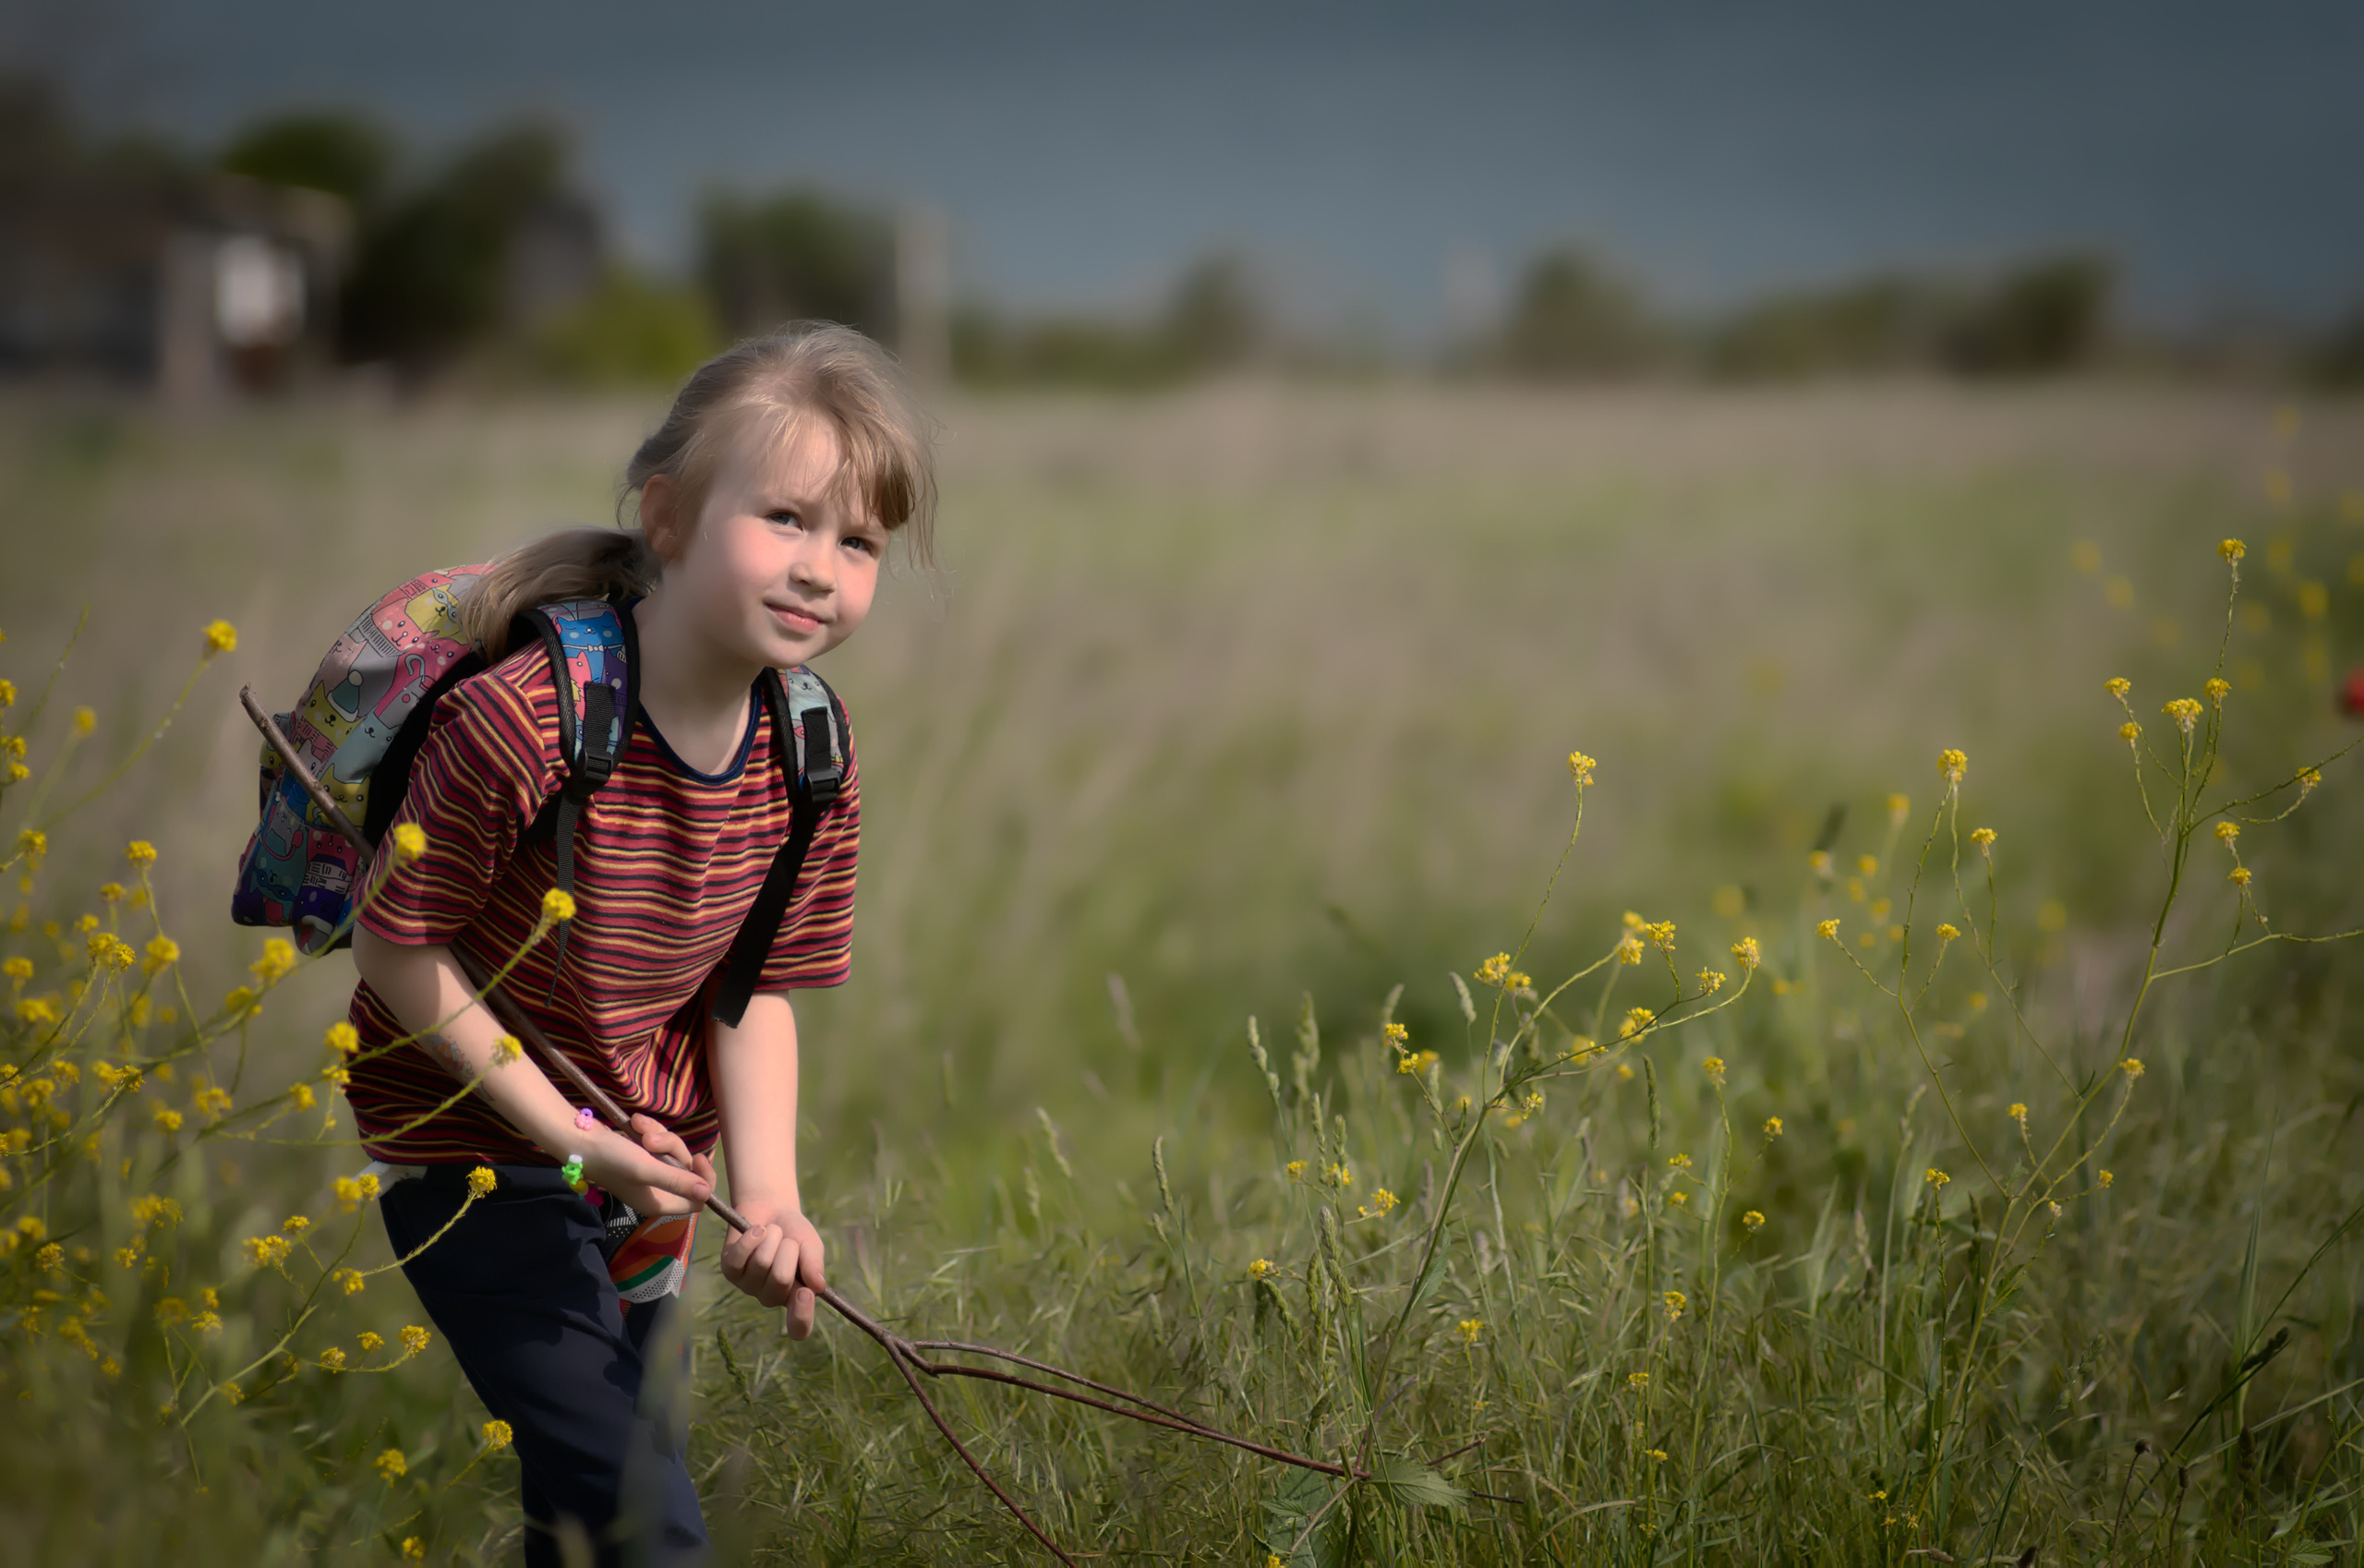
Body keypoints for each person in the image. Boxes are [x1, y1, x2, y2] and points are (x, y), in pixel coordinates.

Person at [344, 324, 935, 1564]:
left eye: (859, 541)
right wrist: (570, 1138)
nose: (819, 568)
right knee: (645, 1526)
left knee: (586, 1525)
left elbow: (752, 992)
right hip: (474, 1149)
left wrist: (767, 1197)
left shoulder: (813, 754)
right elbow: (397, 948)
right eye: (785, 517)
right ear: (666, 516)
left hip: (653, 1167)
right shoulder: (528, 720)